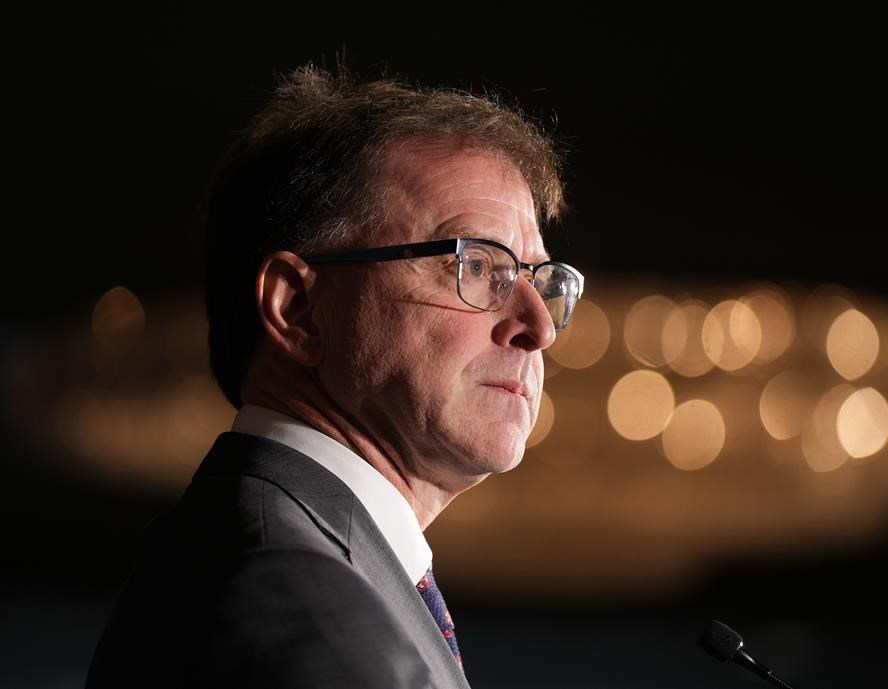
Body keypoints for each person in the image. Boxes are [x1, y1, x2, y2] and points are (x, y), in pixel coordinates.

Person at [85, 66, 584, 689]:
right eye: (478, 266)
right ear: (297, 309)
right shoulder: (308, 615)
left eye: (541, 280)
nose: (538, 328)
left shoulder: (277, 562)